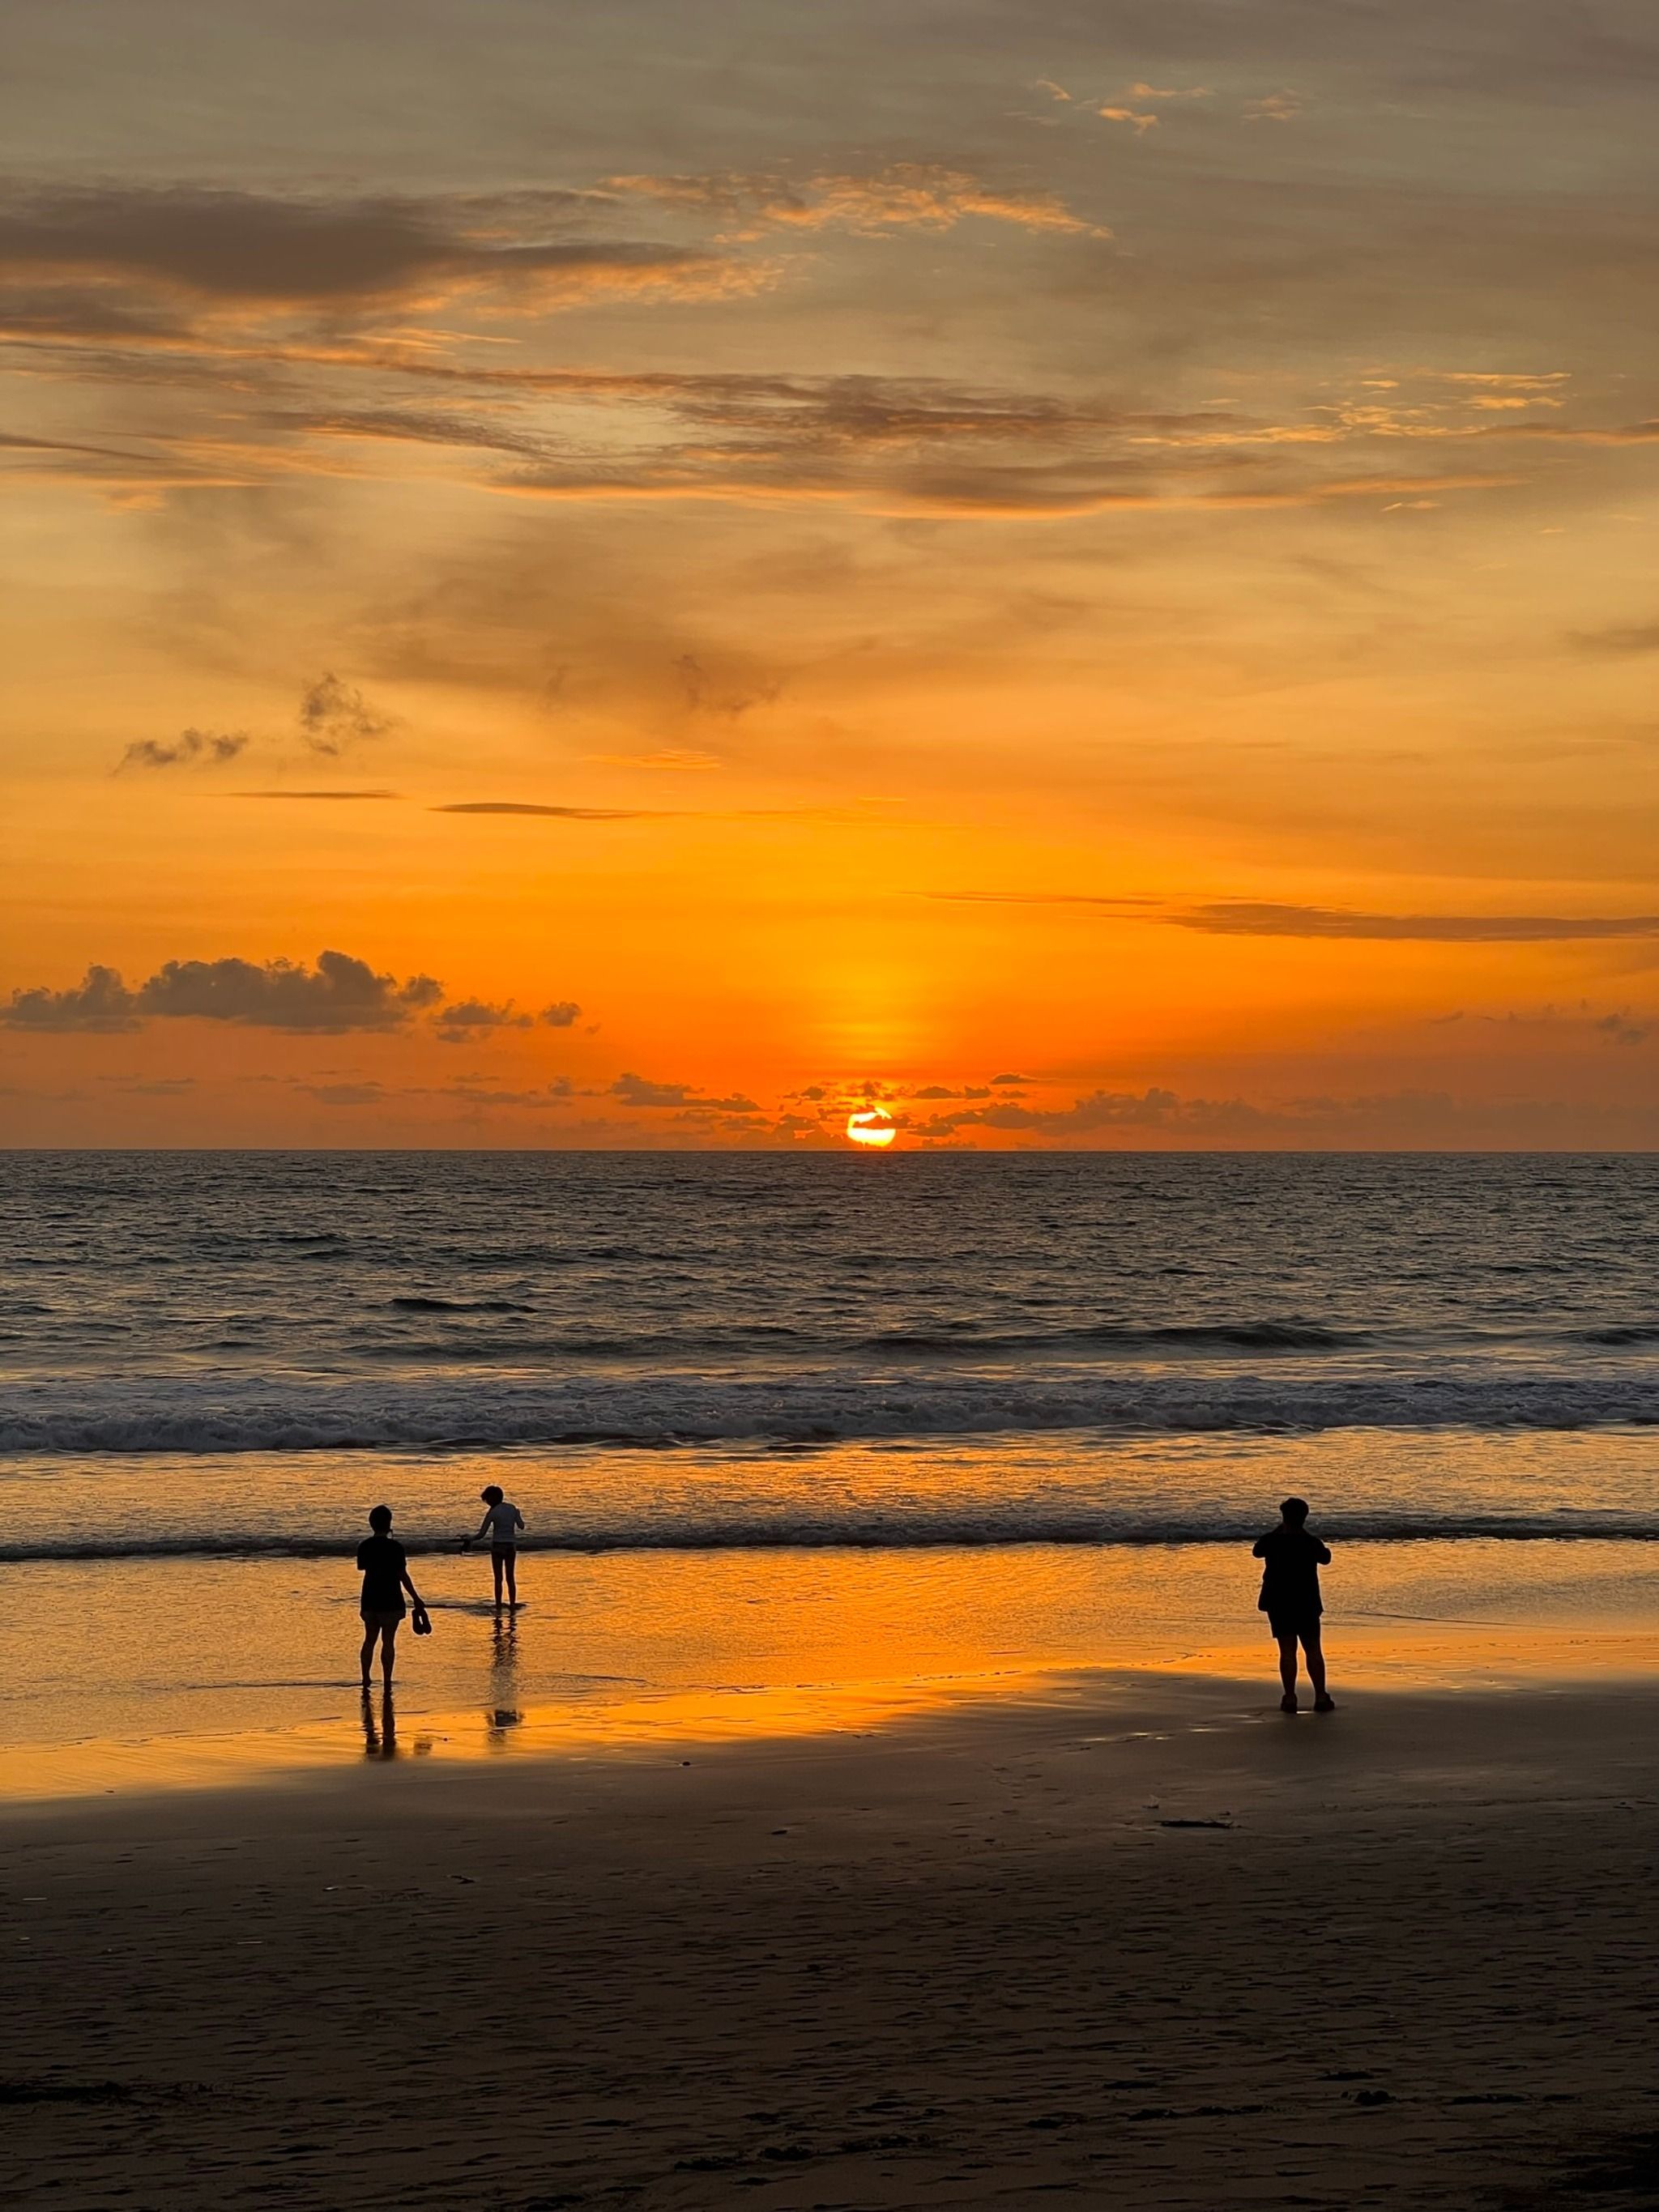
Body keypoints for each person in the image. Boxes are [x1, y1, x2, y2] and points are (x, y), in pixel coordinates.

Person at [1252, 1496, 1335, 1714]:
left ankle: (1290, 1697)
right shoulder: (1309, 1542)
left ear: (1284, 1517)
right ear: (1304, 1518)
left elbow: (1257, 1551)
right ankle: (1320, 1696)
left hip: (1279, 1601)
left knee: (1287, 1650)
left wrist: (1281, 1529)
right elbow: (1326, 1558)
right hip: (1306, 1601)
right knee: (1313, 1649)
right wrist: (1303, 1532)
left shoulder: (1273, 1540)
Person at [356, 1503, 429, 1690]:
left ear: (371, 1523)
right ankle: (387, 1680)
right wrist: (416, 1598)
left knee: (369, 1639)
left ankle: (366, 1678)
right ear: (389, 1523)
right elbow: (402, 1575)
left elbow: (362, 1567)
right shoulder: (396, 1547)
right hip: (391, 1598)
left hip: (370, 1597)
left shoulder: (364, 1546)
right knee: (388, 1641)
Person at [463, 1484, 526, 1610]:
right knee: (510, 1577)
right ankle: (512, 1604)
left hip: (497, 1546)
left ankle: (498, 1605)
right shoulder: (512, 1508)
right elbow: (521, 1526)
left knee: (498, 1579)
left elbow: (481, 1534)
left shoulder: (493, 1512)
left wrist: (469, 1538)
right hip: (510, 1546)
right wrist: (518, 1514)